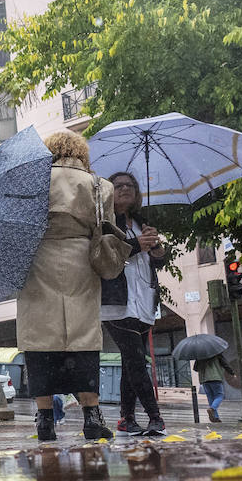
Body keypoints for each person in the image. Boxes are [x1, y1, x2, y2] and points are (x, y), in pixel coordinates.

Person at [18, 131, 116, 442]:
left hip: (38, 260)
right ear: (81, 152)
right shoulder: (100, 185)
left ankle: (45, 419)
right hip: (81, 261)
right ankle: (92, 416)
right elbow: (108, 229)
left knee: (39, 339)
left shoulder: (32, 183)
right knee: (84, 336)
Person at [100, 170, 168, 436]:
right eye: (118, 186)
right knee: (137, 360)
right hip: (117, 301)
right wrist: (137, 244)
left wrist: (158, 251)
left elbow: (154, 261)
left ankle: (126, 418)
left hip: (144, 299)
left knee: (131, 364)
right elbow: (107, 252)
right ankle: (155, 416)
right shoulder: (105, 222)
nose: (125, 189)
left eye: (130, 185)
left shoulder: (142, 222)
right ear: (109, 192)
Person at [195, 352, 234, 423]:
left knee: (210, 398)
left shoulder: (199, 355)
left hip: (204, 379)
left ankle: (215, 417)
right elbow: (225, 364)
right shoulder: (217, 353)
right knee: (220, 395)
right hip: (215, 378)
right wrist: (232, 373)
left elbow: (195, 368)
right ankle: (212, 409)